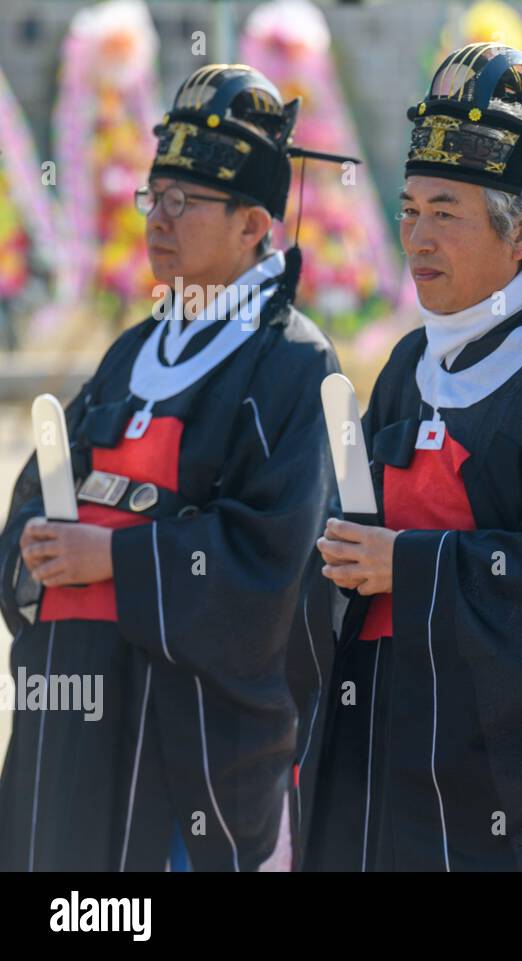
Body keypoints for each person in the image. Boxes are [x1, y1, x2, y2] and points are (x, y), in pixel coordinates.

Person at [302, 42, 522, 872]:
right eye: (409, 210)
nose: (417, 236)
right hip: (381, 718)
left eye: (445, 212)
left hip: (497, 756)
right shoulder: (409, 364)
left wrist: (410, 567)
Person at [0, 65, 341, 871]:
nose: (158, 219)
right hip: (73, 717)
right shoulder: (131, 354)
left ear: (256, 224)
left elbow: (276, 566)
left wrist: (112, 558)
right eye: (154, 196)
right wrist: (38, 547)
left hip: (189, 747)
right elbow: (33, 504)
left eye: (185, 201)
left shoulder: (294, 365)